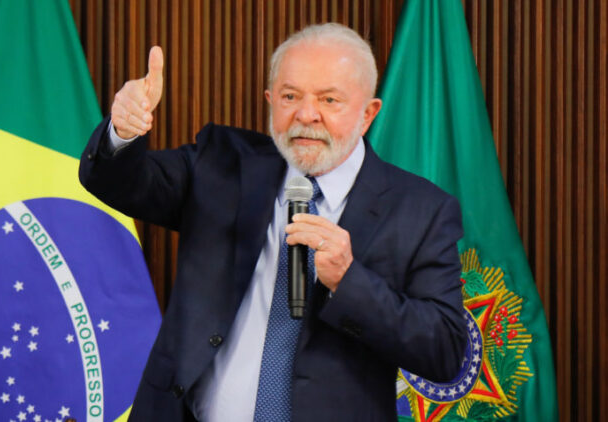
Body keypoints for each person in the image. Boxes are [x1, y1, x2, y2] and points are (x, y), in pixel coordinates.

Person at [80, 23, 466, 422]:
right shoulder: (221, 164)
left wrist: (349, 282)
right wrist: (123, 132)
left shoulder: (420, 210)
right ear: (270, 100)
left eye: (329, 99)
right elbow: (121, 184)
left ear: (368, 114)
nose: (306, 114)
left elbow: (445, 352)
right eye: (289, 96)